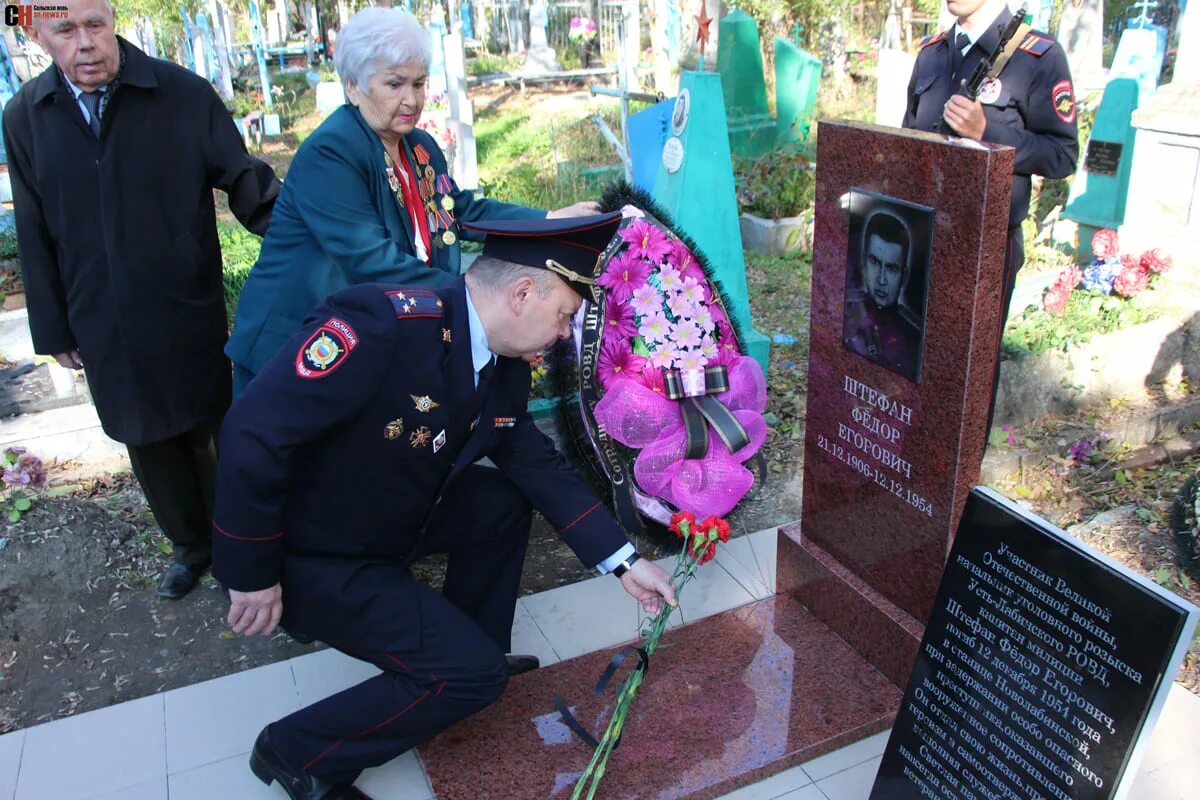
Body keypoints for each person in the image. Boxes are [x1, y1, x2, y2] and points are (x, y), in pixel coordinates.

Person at [213, 212, 676, 800]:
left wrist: (624, 561)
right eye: (564, 315)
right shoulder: (383, 326)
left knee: (504, 501)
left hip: (389, 521)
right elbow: (255, 430)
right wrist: (250, 573)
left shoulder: (503, 364)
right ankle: (296, 749)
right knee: (470, 678)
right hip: (315, 553)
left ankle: (473, 651)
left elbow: (534, 463)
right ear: (522, 292)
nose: (565, 333)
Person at [2, 0, 280, 600]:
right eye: (65, 30)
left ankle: (243, 547)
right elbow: (33, 228)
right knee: (144, 438)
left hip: (183, 303)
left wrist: (311, 236)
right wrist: (54, 330)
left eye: (95, 25)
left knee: (213, 429)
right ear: (37, 33)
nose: (85, 43)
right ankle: (190, 547)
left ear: (111, 20)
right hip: (98, 313)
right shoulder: (26, 117)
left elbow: (247, 183)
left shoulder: (180, 94)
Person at [226, 6, 598, 393]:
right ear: (354, 86)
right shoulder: (331, 152)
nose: (411, 99)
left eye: (419, 84)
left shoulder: (418, 146)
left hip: (362, 337)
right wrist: (479, 302)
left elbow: (460, 211)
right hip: (294, 345)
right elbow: (371, 260)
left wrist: (549, 217)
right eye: (395, 84)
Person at [843, 210, 922, 382]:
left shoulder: (914, 336)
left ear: (904, 276)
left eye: (892, 269)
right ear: (864, 262)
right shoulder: (845, 312)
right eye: (875, 263)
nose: (881, 279)